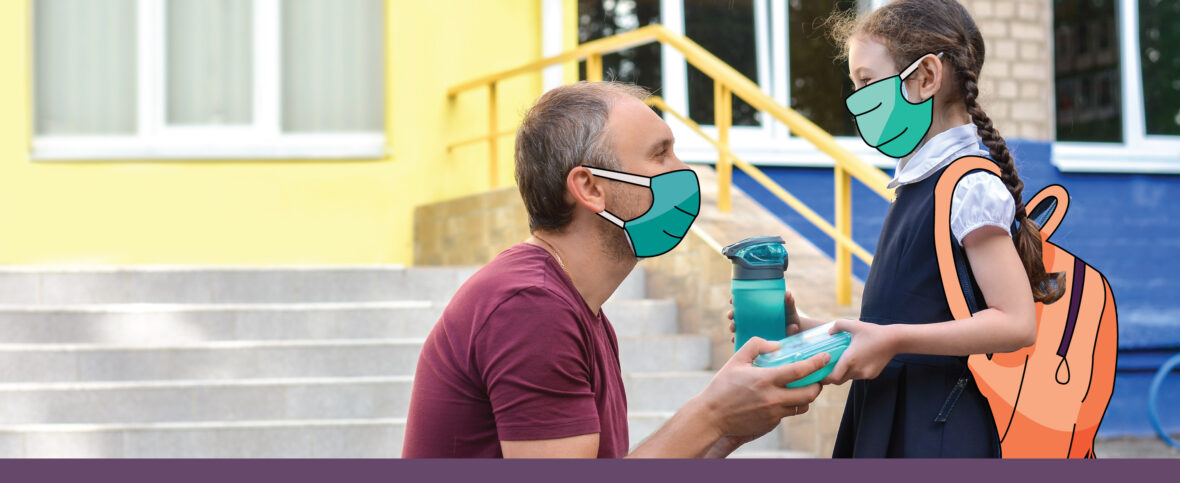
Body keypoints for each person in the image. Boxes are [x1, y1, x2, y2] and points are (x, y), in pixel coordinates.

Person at [402, 81, 829, 458]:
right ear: (590, 188)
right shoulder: (530, 307)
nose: (683, 172)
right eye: (660, 155)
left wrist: (735, 422)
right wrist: (713, 413)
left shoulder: (575, 304)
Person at [729, 0, 1064, 457]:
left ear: (926, 77)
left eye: (866, 81)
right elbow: (898, 322)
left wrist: (894, 339)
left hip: (934, 427)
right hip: (889, 411)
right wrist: (808, 329)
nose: (856, 100)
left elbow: (1017, 323)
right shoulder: (918, 181)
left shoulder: (968, 185)